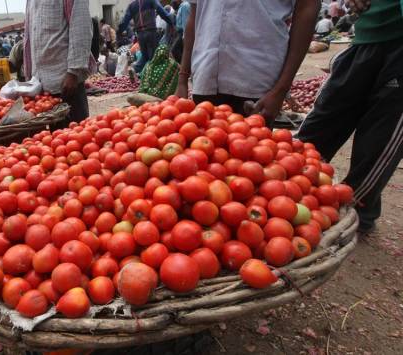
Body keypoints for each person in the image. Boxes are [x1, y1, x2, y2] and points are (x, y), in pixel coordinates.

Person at [296, 0, 403, 234]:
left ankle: (356, 211)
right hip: (366, 38)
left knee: (378, 141)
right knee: (320, 124)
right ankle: (290, 188)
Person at [175, 0, 319, 125]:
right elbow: (194, 17)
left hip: (257, 84)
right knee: (200, 153)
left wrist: (281, 90)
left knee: (254, 153)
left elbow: (308, 7)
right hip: (205, 79)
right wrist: (182, 80)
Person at [24, 0, 93, 125]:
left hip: (66, 81)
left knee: (75, 136)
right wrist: (30, 77)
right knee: (50, 141)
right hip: (41, 88)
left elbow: (81, 27)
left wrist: (73, 72)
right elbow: (29, 37)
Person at [118, 0, 175, 73]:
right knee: (153, 57)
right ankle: (151, 76)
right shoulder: (151, 1)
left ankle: (134, 69)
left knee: (145, 56)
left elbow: (124, 21)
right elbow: (162, 12)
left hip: (140, 35)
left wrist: (119, 31)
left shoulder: (132, 5)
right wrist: (172, 22)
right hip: (151, 32)